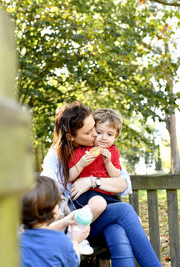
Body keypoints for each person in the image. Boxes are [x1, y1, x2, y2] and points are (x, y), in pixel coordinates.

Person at [41, 101, 162, 267]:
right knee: (124, 210)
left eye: (94, 129)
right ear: (71, 136)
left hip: (99, 219)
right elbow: (47, 196)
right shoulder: (57, 158)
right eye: (92, 131)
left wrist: (92, 181)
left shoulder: (103, 150)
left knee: (117, 230)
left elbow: (123, 183)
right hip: (71, 226)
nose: (96, 136)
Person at [20, 175, 90, 267]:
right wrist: (75, 241)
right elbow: (73, 263)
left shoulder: (17, 241)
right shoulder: (61, 241)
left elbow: (40, 233)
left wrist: (64, 221)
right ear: (53, 209)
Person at [69, 108, 124, 215]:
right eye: (99, 132)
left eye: (109, 134)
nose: (104, 138)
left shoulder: (113, 151)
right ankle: (78, 224)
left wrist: (108, 163)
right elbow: (70, 176)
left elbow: (116, 175)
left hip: (108, 194)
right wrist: (81, 164)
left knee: (129, 219)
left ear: (115, 137)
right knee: (99, 203)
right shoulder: (81, 151)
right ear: (92, 131)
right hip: (86, 194)